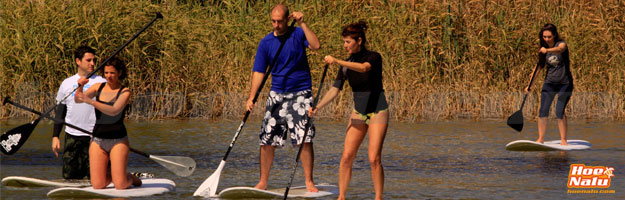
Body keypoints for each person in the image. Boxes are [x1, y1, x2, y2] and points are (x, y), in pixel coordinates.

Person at [309, 21, 388, 200]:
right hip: (359, 112)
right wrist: (318, 106)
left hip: (378, 111)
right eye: (343, 42)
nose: (344, 45)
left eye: (347, 42)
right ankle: (342, 197)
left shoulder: (374, 57)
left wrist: (336, 61)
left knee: (373, 158)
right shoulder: (345, 65)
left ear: (359, 40)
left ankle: (378, 198)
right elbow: (335, 90)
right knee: (346, 157)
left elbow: (364, 68)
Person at [246, 4, 321, 192]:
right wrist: (251, 97)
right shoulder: (266, 43)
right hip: (276, 95)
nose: (276, 25)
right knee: (267, 139)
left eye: (280, 21)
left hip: (300, 94)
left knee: (304, 138)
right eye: (273, 21)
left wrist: (303, 24)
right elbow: (258, 71)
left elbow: (316, 46)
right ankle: (263, 181)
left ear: (288, 19)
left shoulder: (297, 34)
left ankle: (309, 181)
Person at [74, 57, 141, 189]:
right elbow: (78, 100)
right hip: (98, 140)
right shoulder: (98, 87)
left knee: (120, 185)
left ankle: (132, 178)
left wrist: (91, 101)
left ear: (119, 73)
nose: (109, 76)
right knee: (98, 185)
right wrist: (80, 87)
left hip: (118, 140)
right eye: (106, 73)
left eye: (112, 73)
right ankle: (117, 175)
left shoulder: (125, 92)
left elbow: (114, 111)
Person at [52, 46, 106, 179]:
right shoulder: (67, 83)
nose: (92, 63)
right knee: (69, 177)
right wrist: (55, 136)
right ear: (78, 61)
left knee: (95, 178)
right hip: (72, 137)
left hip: (95, 137)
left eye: (94, 60)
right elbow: (60, 112)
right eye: (88, 60)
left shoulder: (102, 82)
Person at [525, 23, 574, 145]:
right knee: (543, 110)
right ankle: (540, 139)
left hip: (565, 83)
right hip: (550, 83)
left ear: (555, 35)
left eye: (549, 36)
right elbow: (538, 68)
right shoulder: (543, 49)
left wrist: (547, 50)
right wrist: (529, 85)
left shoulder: (561, 44)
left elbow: (560, 49)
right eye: (544, 37)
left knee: (559, 111)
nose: (546, 39)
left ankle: (563, 140)